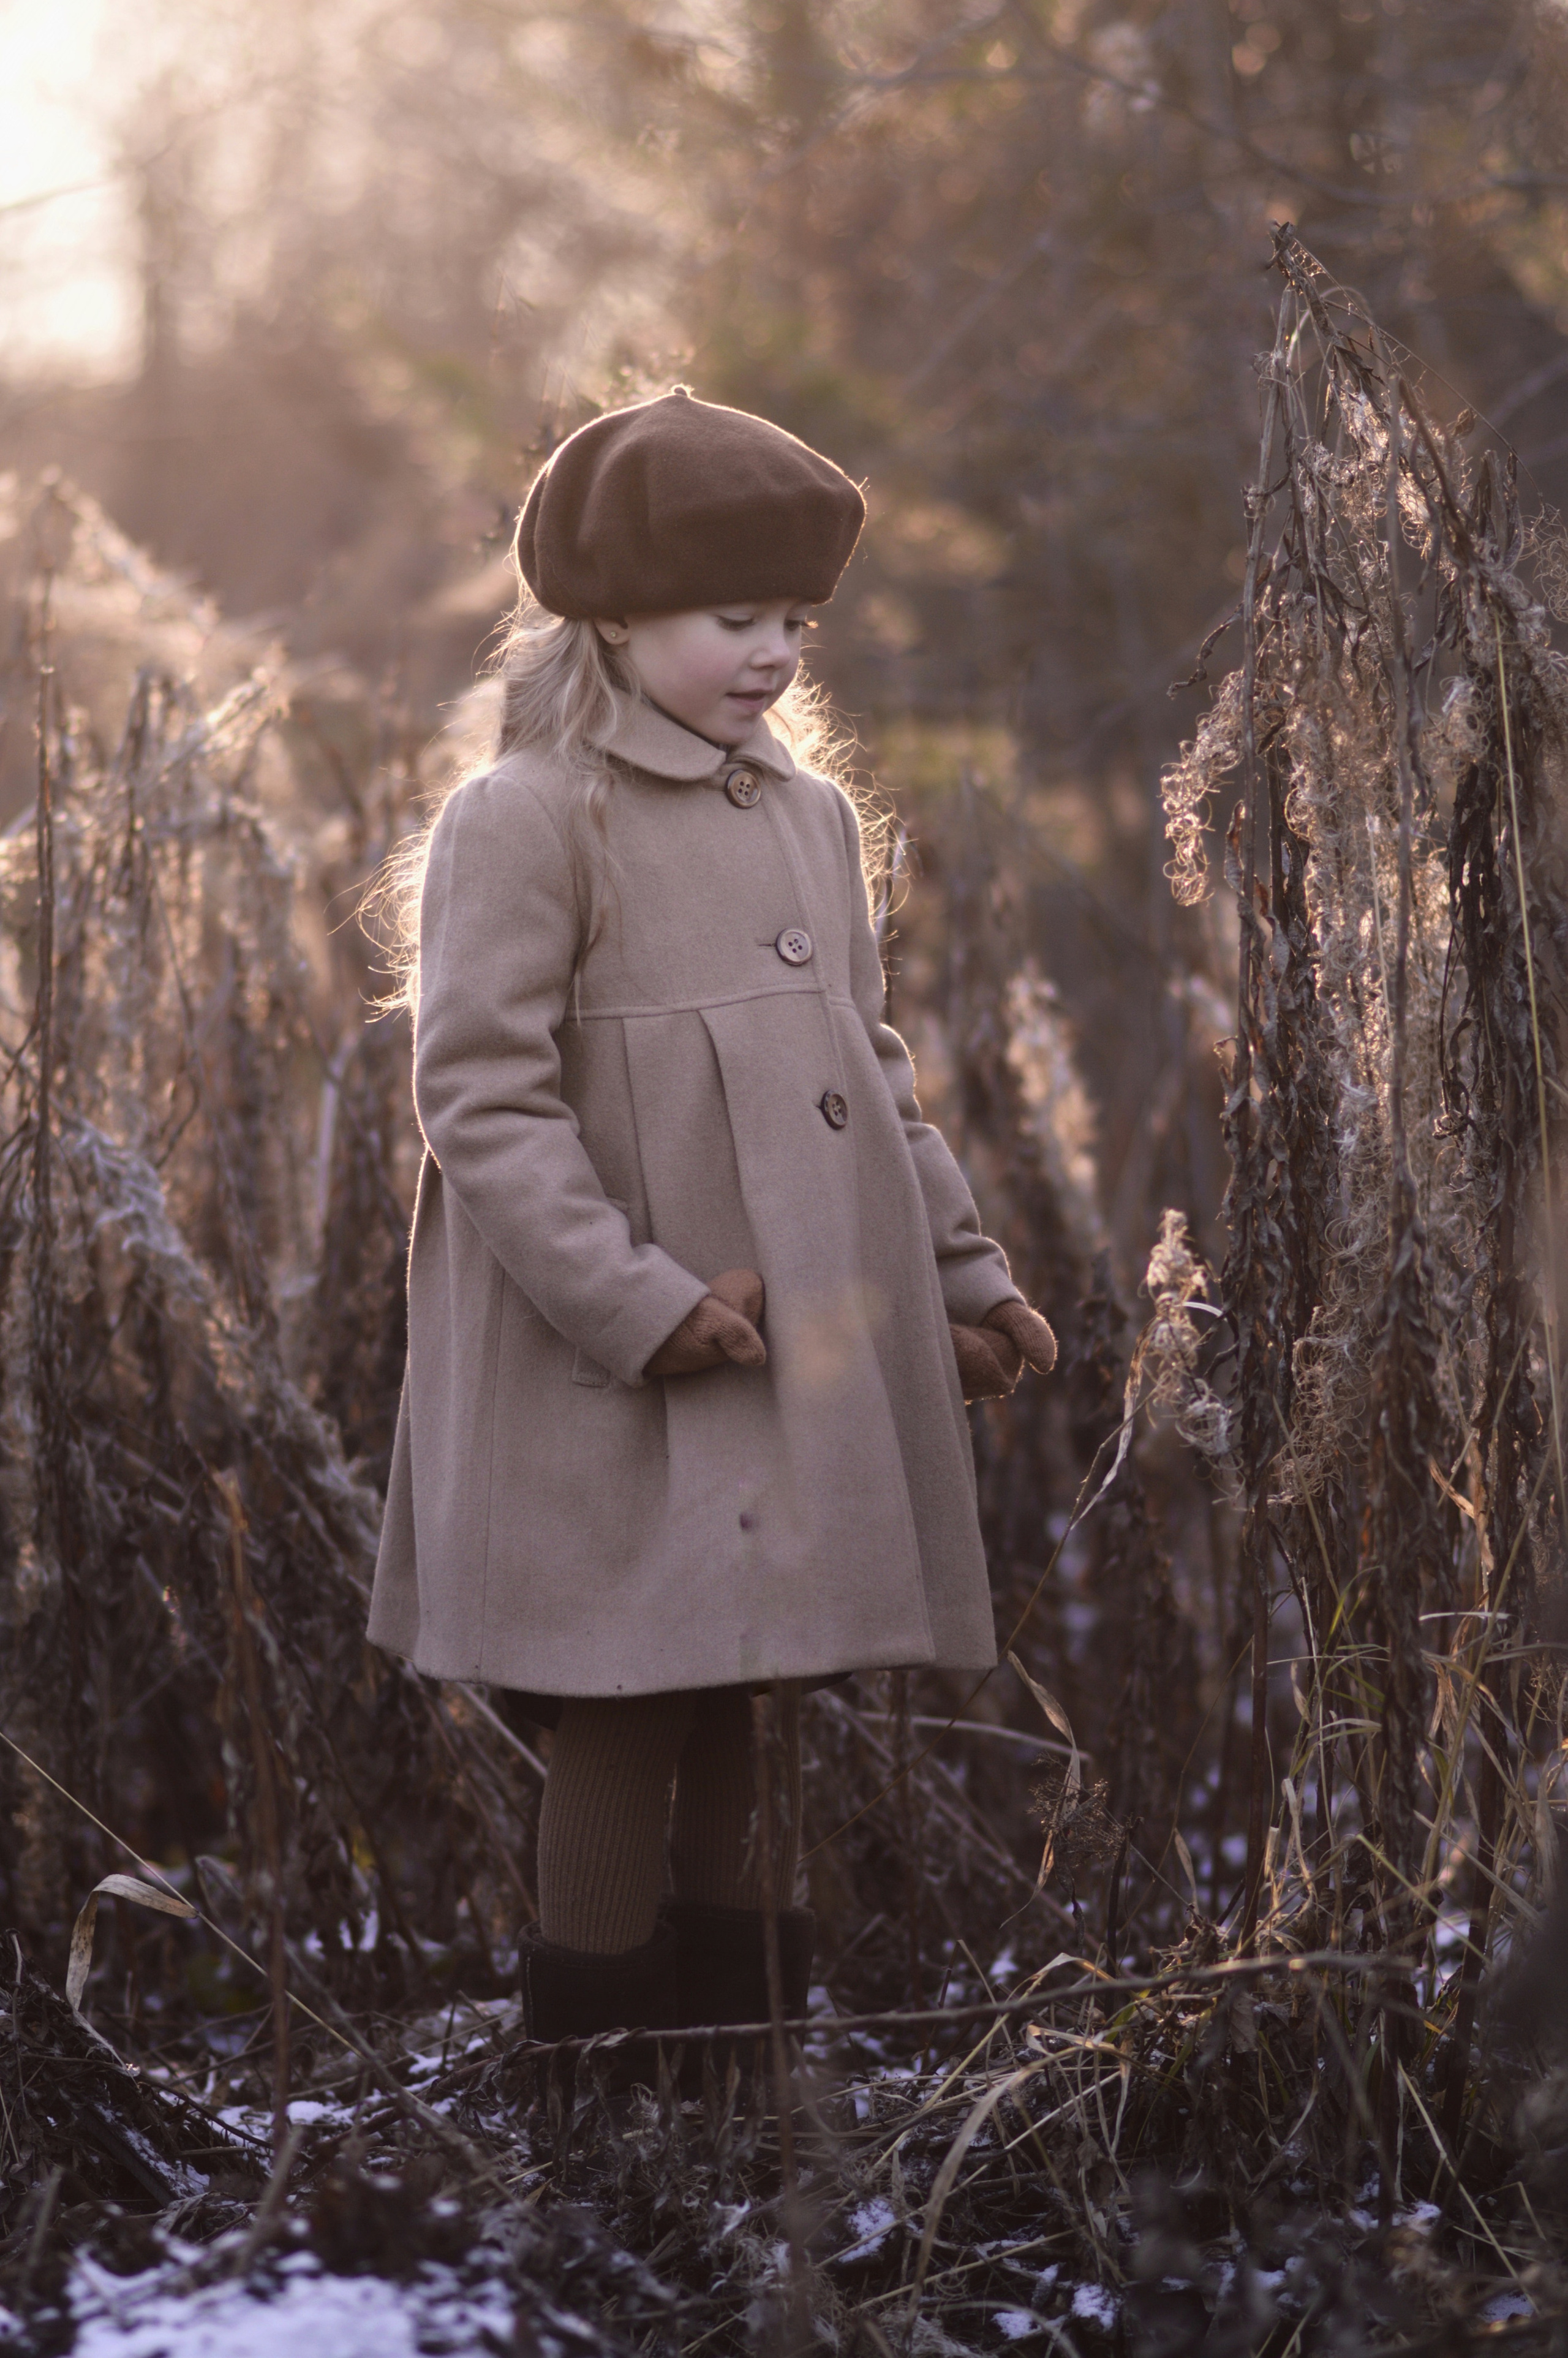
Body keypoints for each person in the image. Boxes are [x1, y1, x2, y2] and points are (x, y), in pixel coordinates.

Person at [366, 386, 1057, 2074]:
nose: (771, 655)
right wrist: (635, 1299)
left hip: (795, 1339)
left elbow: (871, 1077)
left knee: (763, 1688)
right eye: (731, 618)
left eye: (795, 624)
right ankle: (596, 2086)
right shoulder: (529, 819)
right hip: (625, 1355)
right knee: (623, 1694)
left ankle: (742, 2082)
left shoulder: (811, 818)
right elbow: (482, 1098)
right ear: (610, 618)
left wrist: (959, 1279)